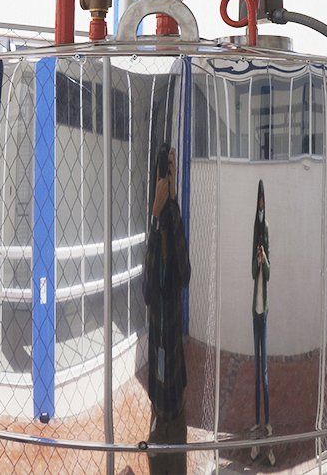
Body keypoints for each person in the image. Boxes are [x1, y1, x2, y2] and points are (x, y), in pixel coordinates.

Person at [143, 144, 191, 474]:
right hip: (158, 326)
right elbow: (148, 290)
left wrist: (169, 212)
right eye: (166, 167)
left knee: (174, 407)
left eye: (173, 167)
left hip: (171, 329)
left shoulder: (173, 217)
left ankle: (172, 452)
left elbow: (183, 274)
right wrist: (156, 215)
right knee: (160, 403)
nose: (170, 172)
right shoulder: (158, 217)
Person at [250, 180, 274, 466]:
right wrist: (254, 262)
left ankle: (267, 422)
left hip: (264, 308)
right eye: (257, 203)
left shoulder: (266, 231)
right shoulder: (254, 230)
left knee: (265, 370)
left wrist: (264, 259)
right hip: (252, 310)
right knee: (256, 368)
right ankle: (256, 423)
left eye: (262, 203)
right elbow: (250, 272)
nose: (260, 207)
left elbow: (269, 275)